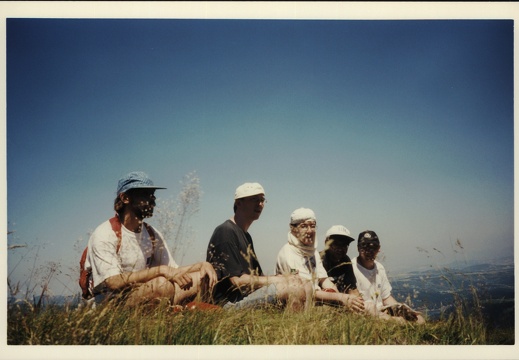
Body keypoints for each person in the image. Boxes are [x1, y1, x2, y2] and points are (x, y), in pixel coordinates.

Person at [86, 171, 217, 307]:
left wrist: (202, 265)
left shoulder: (151, 233)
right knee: (162, 285)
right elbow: (113, 281)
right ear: (125, 198)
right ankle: (172, 312)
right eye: (145, 195)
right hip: (111, 305)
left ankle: (177, 312)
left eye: (153, 195)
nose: (153, 200)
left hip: (142, 294)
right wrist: (160, 270)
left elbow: (174, 270)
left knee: (202, 277)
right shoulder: (105, 234)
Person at [206, 183, 313, 310]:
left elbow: (258, 277)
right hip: (228, 305)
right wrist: (281, 281)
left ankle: (300, 327)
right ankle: (295, 328)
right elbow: (238, 281)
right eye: (254, 200)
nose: (260, 204)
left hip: (246, 297)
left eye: (262, 200)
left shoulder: (246, 236)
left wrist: (283, 277)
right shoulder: (225, 231)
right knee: (293, 287)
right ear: (239, 203)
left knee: (305, 284)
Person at [275, 208, 364, 313]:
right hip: (298, 307)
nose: (309, 230)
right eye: (304, 226)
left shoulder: (312, 252)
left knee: (368, 307)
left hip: (317, 303)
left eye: (312, 226)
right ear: (293, 229)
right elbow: (306, 292)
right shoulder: (289, 254)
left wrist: (338, 295)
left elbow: (324, 280)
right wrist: (341, 298)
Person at [352, 230, 425, 324]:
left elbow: (386, 298)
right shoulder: (351, 268)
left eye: (373, 247)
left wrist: (400, 308)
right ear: (358, 248)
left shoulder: (380, 268)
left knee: (419, 320)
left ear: (379, 248)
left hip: (382, 310)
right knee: (397, 321)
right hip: (366, 312)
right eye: (364, 247)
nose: (369, 251)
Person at [320, 225, 361, 297]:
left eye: (344, 245)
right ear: (327, 242)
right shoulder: (319, 260)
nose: (340, 249)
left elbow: (352, 289)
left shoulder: (346, 261)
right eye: (336, 244)